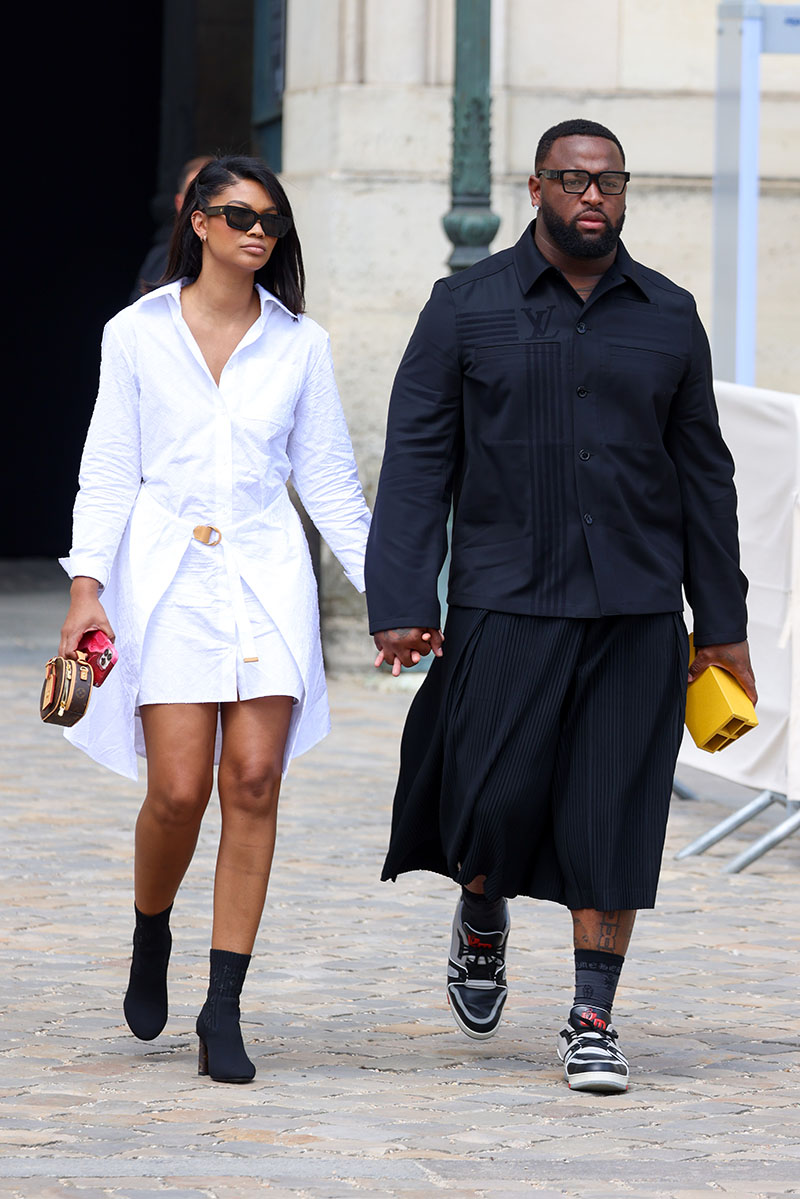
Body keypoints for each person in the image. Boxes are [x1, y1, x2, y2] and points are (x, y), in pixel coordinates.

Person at [365, 119, 756, 1093]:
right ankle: (482, 907)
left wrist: (722, 628)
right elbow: (418, 461)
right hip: (506, 597)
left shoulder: (667, 315)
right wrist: (404, 597)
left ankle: (589, 1015)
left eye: (609, 181)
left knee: (612, 816)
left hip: (633, 607)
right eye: (572, 180)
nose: (593, 196)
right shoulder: (463, 308)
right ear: (533, 187)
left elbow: (703, 479)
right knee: (488, 796)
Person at [59, 155, 370, 1084]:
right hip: (164, 582)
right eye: (238, 214)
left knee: (256, 781)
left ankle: (222, 1005)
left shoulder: (300, 344)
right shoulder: (136, 334)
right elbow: (110, 467)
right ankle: (151, 925)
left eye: (270, 219)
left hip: (268, 578)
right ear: (197, 221)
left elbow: (330, 484)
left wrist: (396, 595)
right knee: (179, 791)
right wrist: (87, 587)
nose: (258, 231)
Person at [129, 155, 213, 303]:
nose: (202, 206)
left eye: (212, 196)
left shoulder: (243, 253)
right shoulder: (160, 258)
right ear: (179, 203)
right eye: (193, 196)